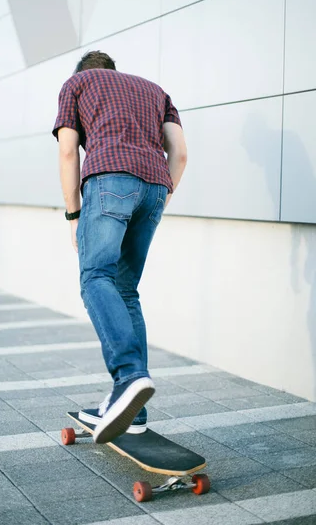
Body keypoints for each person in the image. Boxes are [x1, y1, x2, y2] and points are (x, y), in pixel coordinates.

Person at [53, 51, 187, 443]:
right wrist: (161, 196)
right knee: (126, 290)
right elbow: (179, 152)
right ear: (114, 71)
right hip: (154, 186)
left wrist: (73, 216)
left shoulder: (76, 84)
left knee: (95, 277)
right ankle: (136, 411)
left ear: (85, 73)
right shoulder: (155, 90)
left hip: (109, 179)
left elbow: (66, 150)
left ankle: (128, 375)